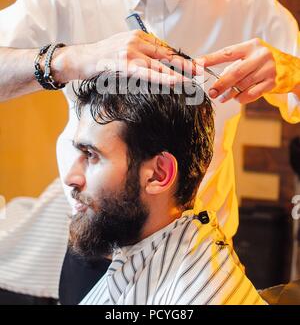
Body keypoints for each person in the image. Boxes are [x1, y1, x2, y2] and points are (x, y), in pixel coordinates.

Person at [0, 0, 299, 303]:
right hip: (96, 242)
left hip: (197, 257)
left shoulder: (251, 9)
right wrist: (72, 59)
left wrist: (292, 74)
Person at [65, 70, 265, 305]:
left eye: (91, 154)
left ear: (159, 174)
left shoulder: (196, 294)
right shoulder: (149, 251)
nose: (71, 177)